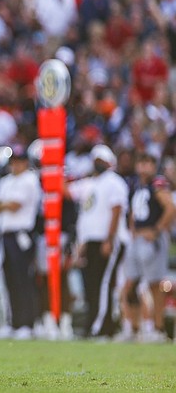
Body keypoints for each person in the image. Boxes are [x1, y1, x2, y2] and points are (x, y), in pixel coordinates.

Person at [66, 144, 127, 338]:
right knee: (91, 285)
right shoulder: (91, 183)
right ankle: (94, 324)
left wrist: (109, 239)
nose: (97, 164)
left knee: (103, 285)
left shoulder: (114, 182)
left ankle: (102, 327)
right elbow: (80, 208)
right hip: (90, 242)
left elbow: (116, 210)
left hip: (107, 241)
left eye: (100, 160)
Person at [121, 152, 175, 342]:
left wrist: (157, 230)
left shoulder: (158, 184)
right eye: (141, 163)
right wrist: (132, 228)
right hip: (137, 239)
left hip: (152, 240)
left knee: (154, 285)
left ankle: (158, 328)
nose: (143, 167)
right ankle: (134, 327)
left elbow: (170, 208)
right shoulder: (138, 186)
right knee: (130, 284)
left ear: (154, 166)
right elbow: (135, 212)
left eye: (148, 164)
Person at [0, 145, 42, 340]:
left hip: (23, 233)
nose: (16, 165)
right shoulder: (6, 181)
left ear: (26, 162)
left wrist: (4, 204)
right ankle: (15, 321)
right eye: (13, 161)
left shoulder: (30, 179)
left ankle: (28, 323)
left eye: (20, 161)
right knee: (10, 277)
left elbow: (14, 205)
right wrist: (4, 204)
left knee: (24, 278)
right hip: (6, 234)